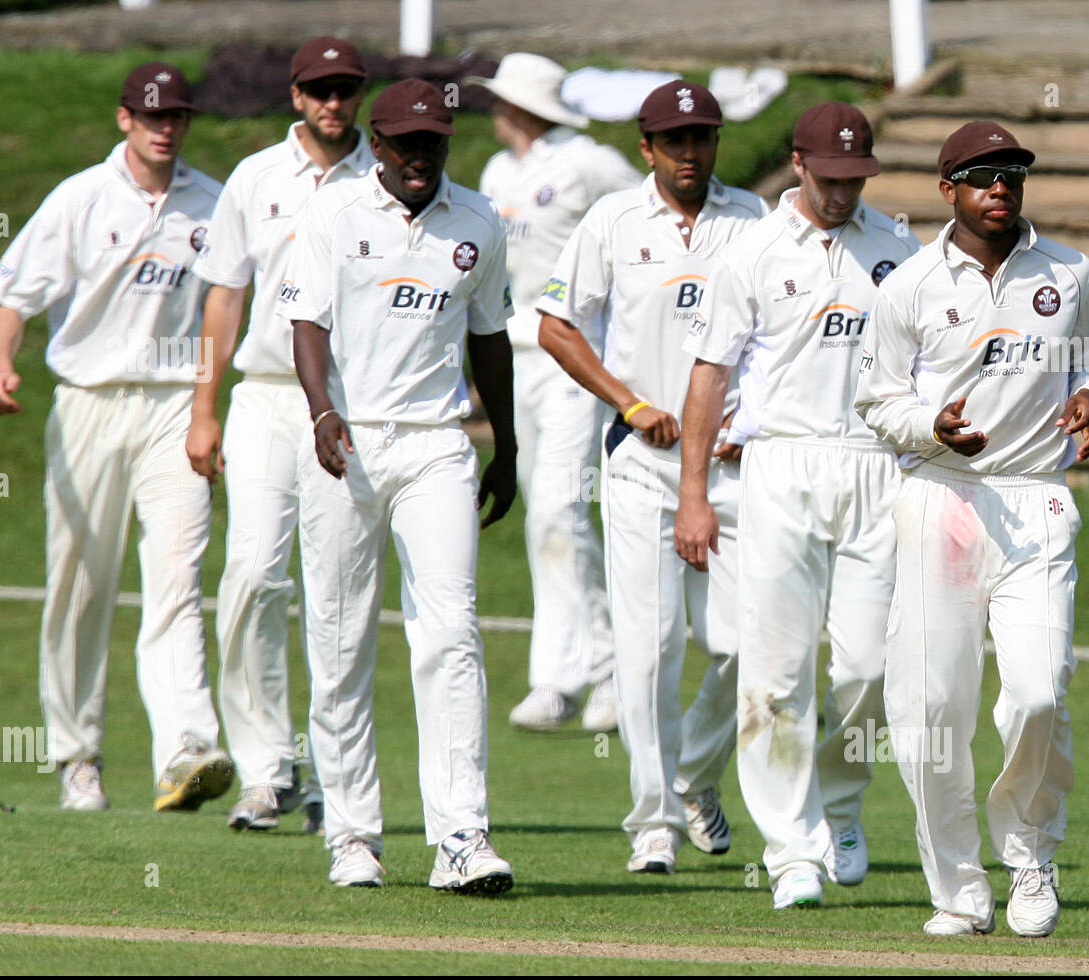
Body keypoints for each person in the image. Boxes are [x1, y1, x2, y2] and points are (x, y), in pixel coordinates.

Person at [855, 121, 1089, 937]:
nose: (999, 188)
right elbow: (875, 400)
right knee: (931, 707)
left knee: (1037, 691)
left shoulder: (1069, 272)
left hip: (1036, 497)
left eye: (1010, 175)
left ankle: (1030, 851)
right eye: (980, 176)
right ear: (948, 190)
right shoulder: (911, 284)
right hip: (944, 496)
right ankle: (958, 890)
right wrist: (932, 424)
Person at [277, 79, 518, 893]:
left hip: (436, 445)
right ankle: (351, 833)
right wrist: (320, 413)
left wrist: (507, 448)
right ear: (377, 146)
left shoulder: (479, 222)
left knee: (450, 633)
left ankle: (462, 838)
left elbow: (491, 339)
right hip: (346, 445)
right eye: (406, 143)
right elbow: (306, 323)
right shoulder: (333, 215)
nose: (421, 155)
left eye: (435, 142)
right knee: (340, 641)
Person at [675, 102, 919, 909]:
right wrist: (695, 493)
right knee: (776, 674)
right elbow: (710, 375)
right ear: (799, 163)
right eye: (831, 177)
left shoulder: (896, 246)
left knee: (868, 670)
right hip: (779, 465)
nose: (845, 193)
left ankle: (843, 811)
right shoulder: (752, 250)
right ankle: (791, 851)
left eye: (857, 179)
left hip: (875, 467)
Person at [0, 62, 233, 812]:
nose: (165, 128)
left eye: (177, 116)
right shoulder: (80, 199)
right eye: (151, 115)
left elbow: (224, 310)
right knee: (81, 584)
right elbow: (13, 297)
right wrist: (0, 368)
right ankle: (77, 757)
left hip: (172, 408)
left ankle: (186, 747)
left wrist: (206, 408)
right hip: (89, 401)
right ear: (125, 119)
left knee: (178, 579)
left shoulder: (212, 207)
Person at [536, 81, 767, 874]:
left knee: (745, 645)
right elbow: (555, 326)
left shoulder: (755, 220)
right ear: (646, 147)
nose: (691, 154)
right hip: (642, 465)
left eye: (702, 138)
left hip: (732, 465)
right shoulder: (612, 221)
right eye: (675, 141)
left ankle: (694, 775)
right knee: (650, 649)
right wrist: (628, 402)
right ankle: (653, 823)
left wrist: (751, 421)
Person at [187, 37, 377, 834]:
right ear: (296, 97)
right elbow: (226, 298)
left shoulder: (387, 174)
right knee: (253, 576)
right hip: (267, 397)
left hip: (353, 405)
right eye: (319, 91)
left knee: (337, 592)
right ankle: (266, 767)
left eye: (345, 90)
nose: (333, 104)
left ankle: (334, 777)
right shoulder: (256, 179)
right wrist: (205, 405)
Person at [469, 53, 641, 733]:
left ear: (520, 105)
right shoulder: (496, 172)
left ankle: (585, 677)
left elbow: (644, 207)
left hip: (573, 353)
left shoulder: (587, 161)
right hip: (513, 356)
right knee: (544, 512)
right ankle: (583, 677)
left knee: (562, 510)